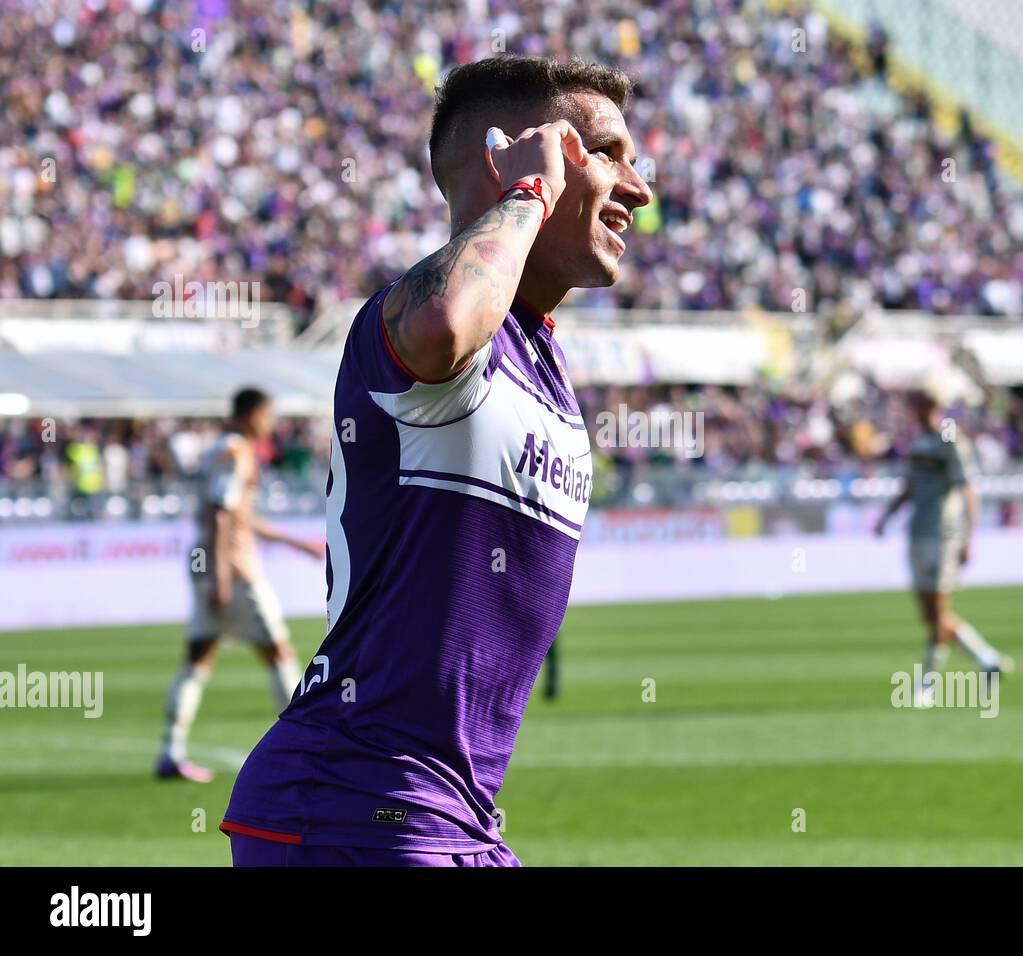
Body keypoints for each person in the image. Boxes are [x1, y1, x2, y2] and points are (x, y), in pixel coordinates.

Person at [220, 55, 652, 865]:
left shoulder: (543, 360)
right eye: (606, 152)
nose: (639, 186)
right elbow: (444, 325)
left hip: (451, 821)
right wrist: (530, 194)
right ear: (514, 158)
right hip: (357, 804)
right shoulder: (424, 320)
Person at [156, 387, 325, 781]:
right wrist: (223, 576)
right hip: (235, 570)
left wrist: (296, 543)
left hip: (209, 564)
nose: (271, 425)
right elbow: (220, 515)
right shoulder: (237, 453)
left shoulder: (220, 449)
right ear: (252, 414)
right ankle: (305, 751)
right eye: (268, 416)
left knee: (198, 657)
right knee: (279, 652)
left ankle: (170, 751)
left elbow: (236, 515)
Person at [875, 391, 1012, 706]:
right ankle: (987, 660)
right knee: (930, 614)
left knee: (937, 611)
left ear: (935, 406)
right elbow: (909, 488)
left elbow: (969, 489)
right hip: (918, 532)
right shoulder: (917, 442)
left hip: (943, 533)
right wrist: (886, 517)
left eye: (923, 404)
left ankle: (929, 684)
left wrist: (968, 537)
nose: (918, 411)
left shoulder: (950, 439)